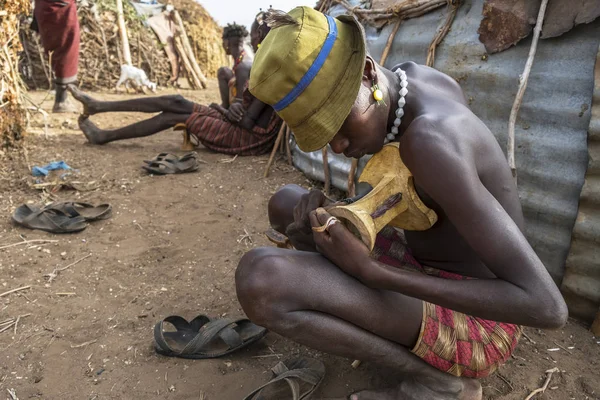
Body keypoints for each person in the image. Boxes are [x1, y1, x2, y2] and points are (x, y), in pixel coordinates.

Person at [235, 7, 568, 400]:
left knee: (261, 279)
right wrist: (340, 214)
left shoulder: (430, 141)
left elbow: (547, 308)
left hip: (484, 324)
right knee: (288, 203)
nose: (339, 146)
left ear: (367, 72)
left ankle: (436, 384)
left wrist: (375, 274)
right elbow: (422, 203)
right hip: (426, 269)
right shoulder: (414, 79)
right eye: (322, 134)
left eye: (340, 121)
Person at [69, 13, 281, 156]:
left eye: (253, 34)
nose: (252, 40)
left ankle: (104, 136)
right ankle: (98, 106)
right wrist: (230, 110)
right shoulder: (264, 65)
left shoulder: (270, 73)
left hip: (245, 137)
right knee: (176, 100)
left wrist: (220, 110)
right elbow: (242, 111)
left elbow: (246, 124)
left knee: (174, 115)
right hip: (239, 124)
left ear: (260, 35)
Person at [33, 0, 80, 113]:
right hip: (60, 8)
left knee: (60, 51)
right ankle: (61, 101)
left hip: (46, 7)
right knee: (66, 51)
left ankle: (62, 98)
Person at [216, 23, 252, 110]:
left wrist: (221, 109)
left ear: (227, 43)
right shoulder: (244, 56)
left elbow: (240, 103)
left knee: (223, 71)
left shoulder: (243, 65)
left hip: (242, 111)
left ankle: (225, 106)